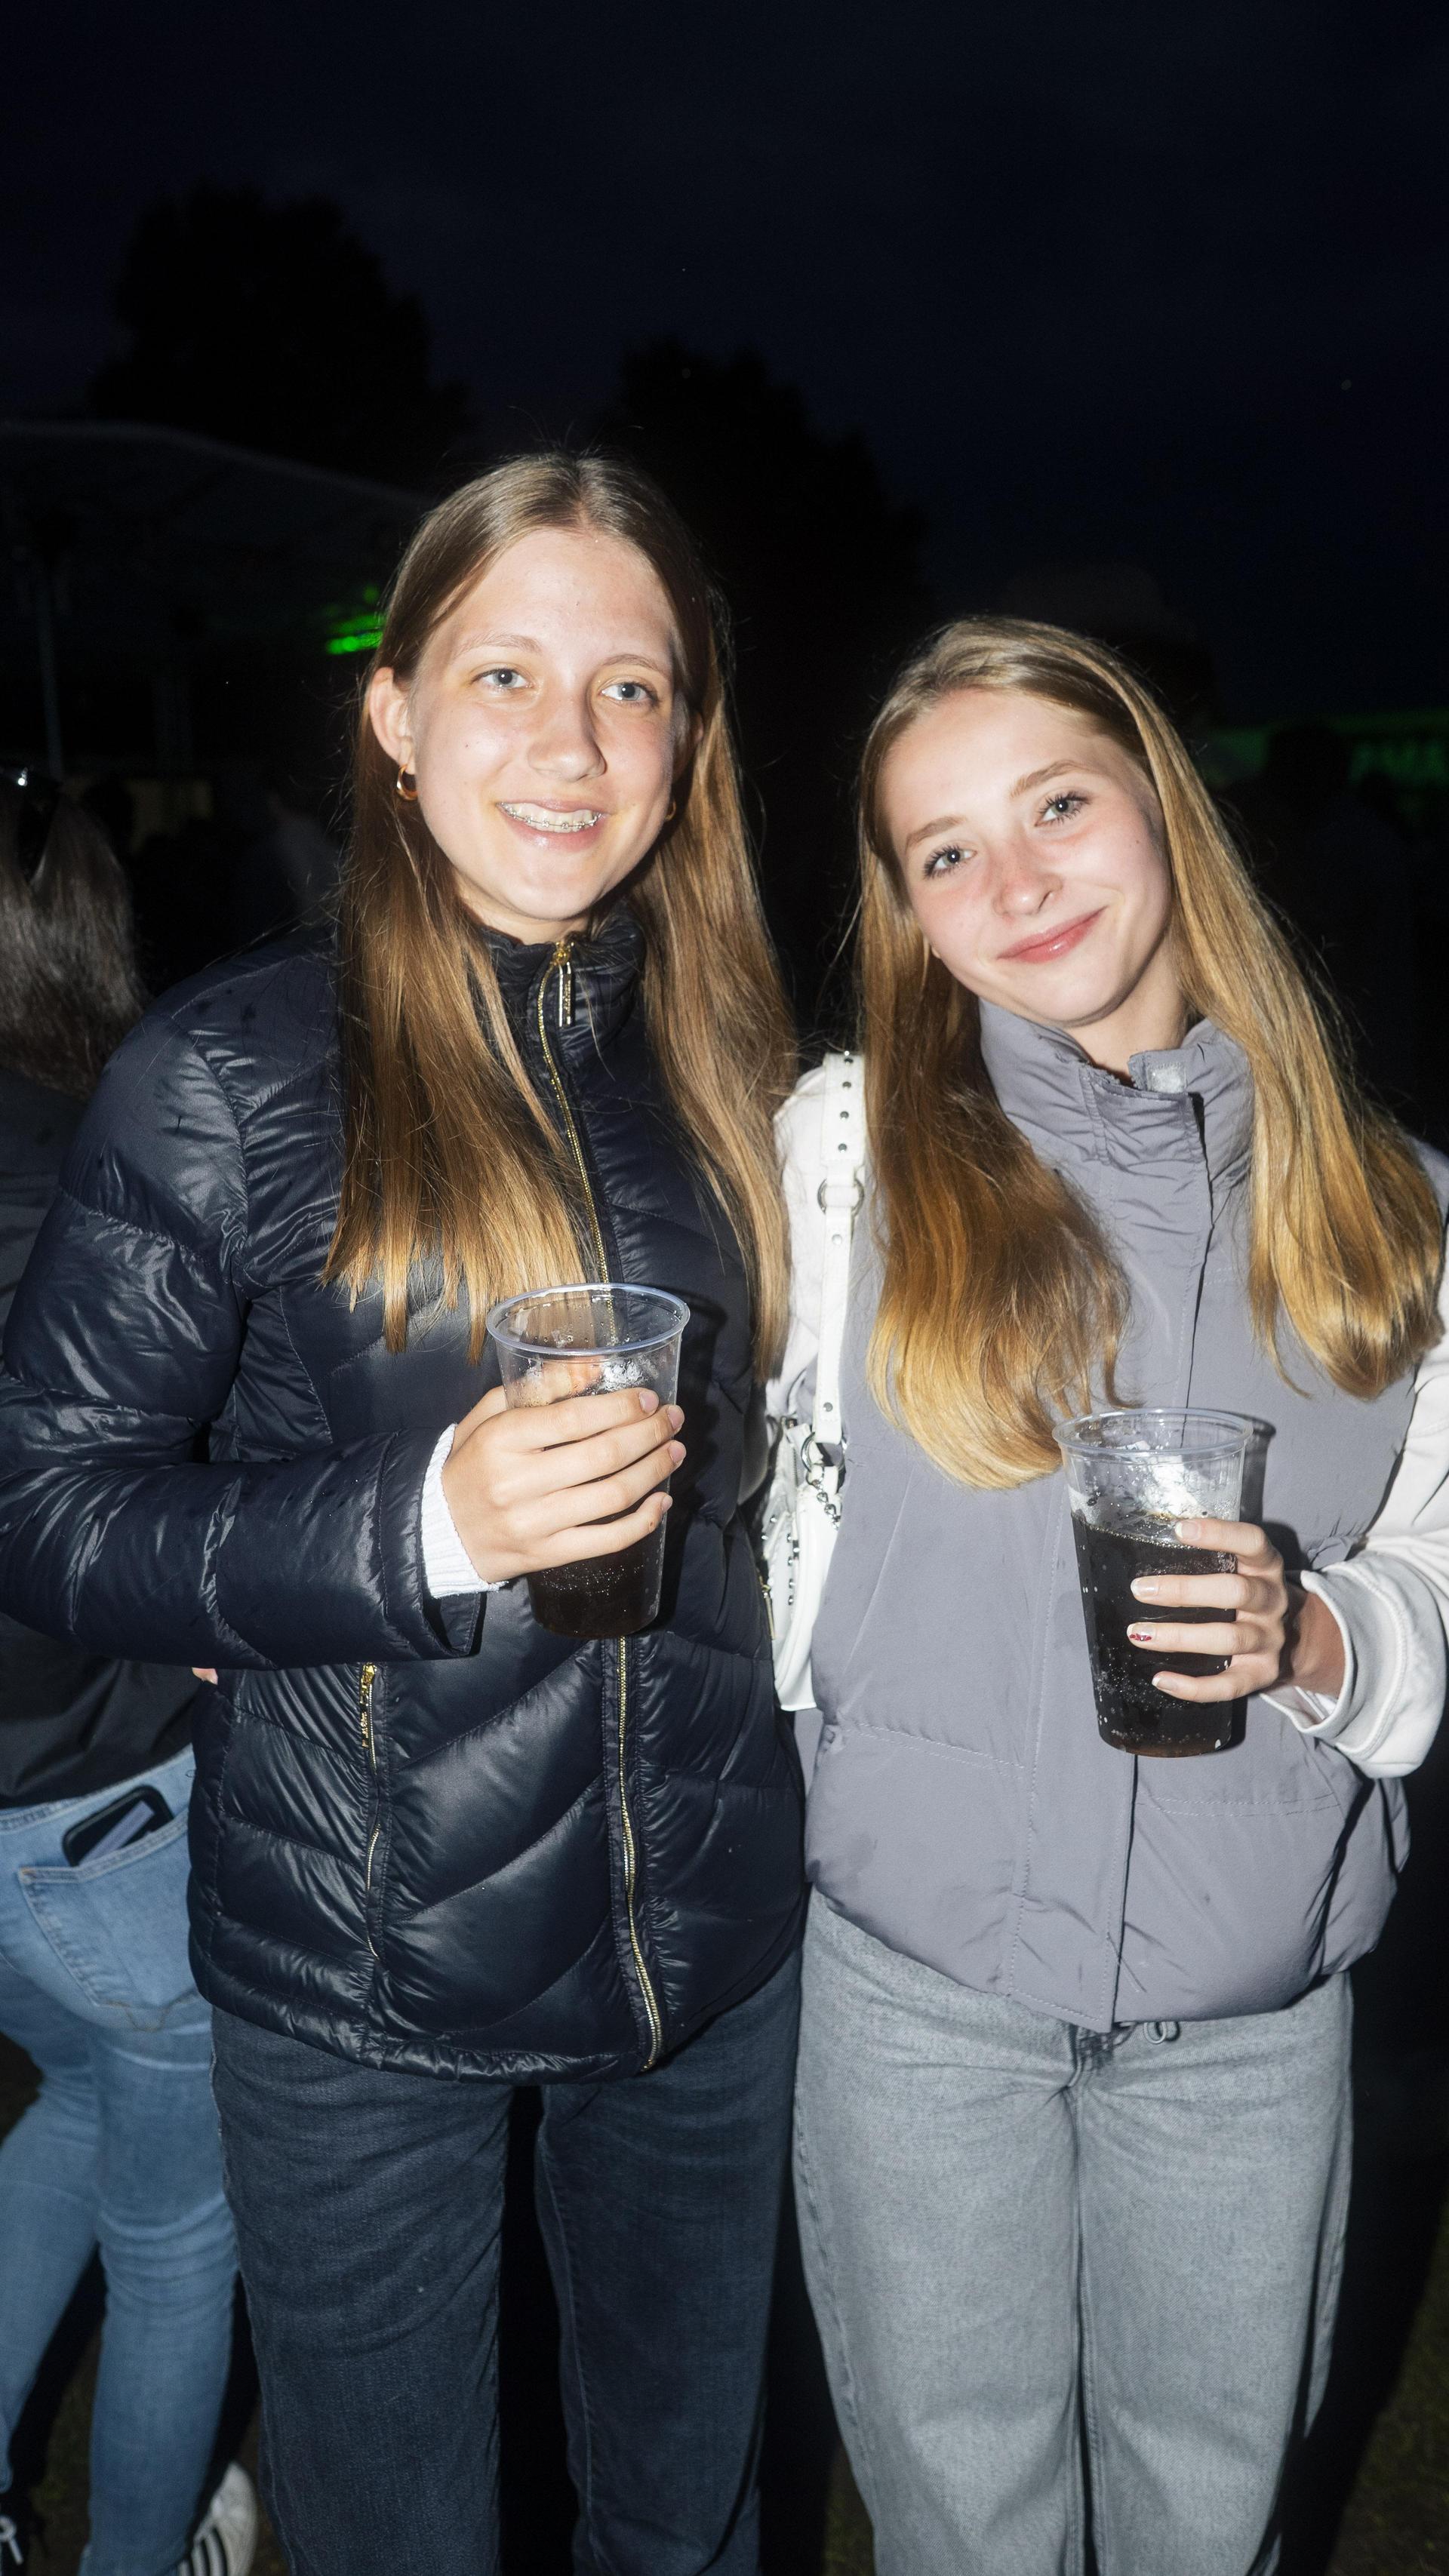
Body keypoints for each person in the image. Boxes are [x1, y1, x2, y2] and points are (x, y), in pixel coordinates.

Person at [0, 456, 804, 2576]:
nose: (570, 741)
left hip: (708, 1950)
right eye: (509, 672)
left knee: (689, 2517)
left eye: (633, 687)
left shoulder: (737, 1066)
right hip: (360, 1975)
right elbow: (49, 1511)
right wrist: (416, 1518)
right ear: (396, 713)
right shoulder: (231, 1067)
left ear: (691, 739)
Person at [772, 620, 1449, 2576]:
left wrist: (1321, 1633)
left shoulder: (1393, 1207)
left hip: (1251, 2024)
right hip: (920, 2005)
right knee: (961, 2530)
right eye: (947, 852)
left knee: (1204, 2528)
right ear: (907, 914)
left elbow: (1431, 1590)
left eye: (1058, 802)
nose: (1020, 879)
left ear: (1166, 802)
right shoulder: (842, 1159)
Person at [0, 773, 254, 2576]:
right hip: (91, 1806)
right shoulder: (61, 1168)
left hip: (24, 1836)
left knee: (71, 2117)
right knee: (182, 2238)